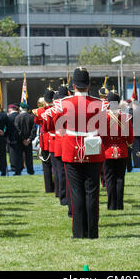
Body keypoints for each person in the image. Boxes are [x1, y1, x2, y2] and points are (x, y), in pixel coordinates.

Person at [49, 67, 107, 239]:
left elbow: (56, 126)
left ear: (73, 85)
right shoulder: (100, 103)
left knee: (76, 192)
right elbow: (103, 129)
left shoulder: (62, 103)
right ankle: (92, 232)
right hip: (93, 149)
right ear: (88, 85)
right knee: (92, 191)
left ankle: (79, 232)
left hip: (71, 148)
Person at [103, 88, 134, 210]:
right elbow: (130, 138)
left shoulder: (103, 116)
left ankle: (111, 205)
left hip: (107, 151)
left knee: (109, 179)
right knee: (120, 178)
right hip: (122, 150)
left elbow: (100, 135)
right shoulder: (125, 117)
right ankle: (119, 205)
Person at [34, 88, 55, 193]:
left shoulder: (40, 111)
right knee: (57, 166)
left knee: (46, 165)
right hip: (56, 139)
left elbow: (36, 121)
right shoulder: (58, 108)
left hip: (45, 140)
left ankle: (49, 188)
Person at [15, 102, 36, 175]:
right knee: (29, 156)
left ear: (20, 108)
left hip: (21, 140)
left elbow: (17, 130)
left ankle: (18, 170)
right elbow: (33, 129)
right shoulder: (32, 117)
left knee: (19, 156)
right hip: (28, 140)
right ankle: (30, 170)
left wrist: (23, 139)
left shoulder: (17, 117)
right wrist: (30, 139)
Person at [7, 104, 22, 175]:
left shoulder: (9, 117)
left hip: (12, 137)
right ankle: (20, 166)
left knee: (12, 153)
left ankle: (14, 166)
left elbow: (7, 127)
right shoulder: (20, 115)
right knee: (19, 153)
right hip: (20, 136)